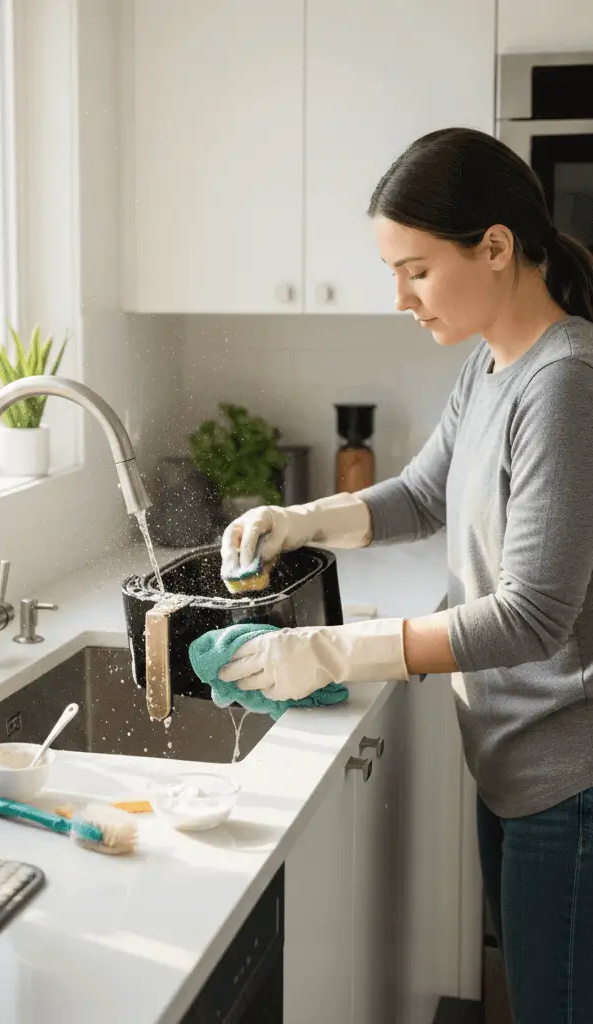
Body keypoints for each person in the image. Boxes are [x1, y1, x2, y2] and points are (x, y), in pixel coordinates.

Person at [219, 127, 593, 1022]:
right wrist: (302, 519)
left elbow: (533, 616)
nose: (400, 298)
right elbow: (423, 495)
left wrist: (334, 651)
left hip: (570, 784)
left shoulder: (564, 383)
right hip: (514, 763)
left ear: (495, 247)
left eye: (416, 271)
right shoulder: (492, 363)